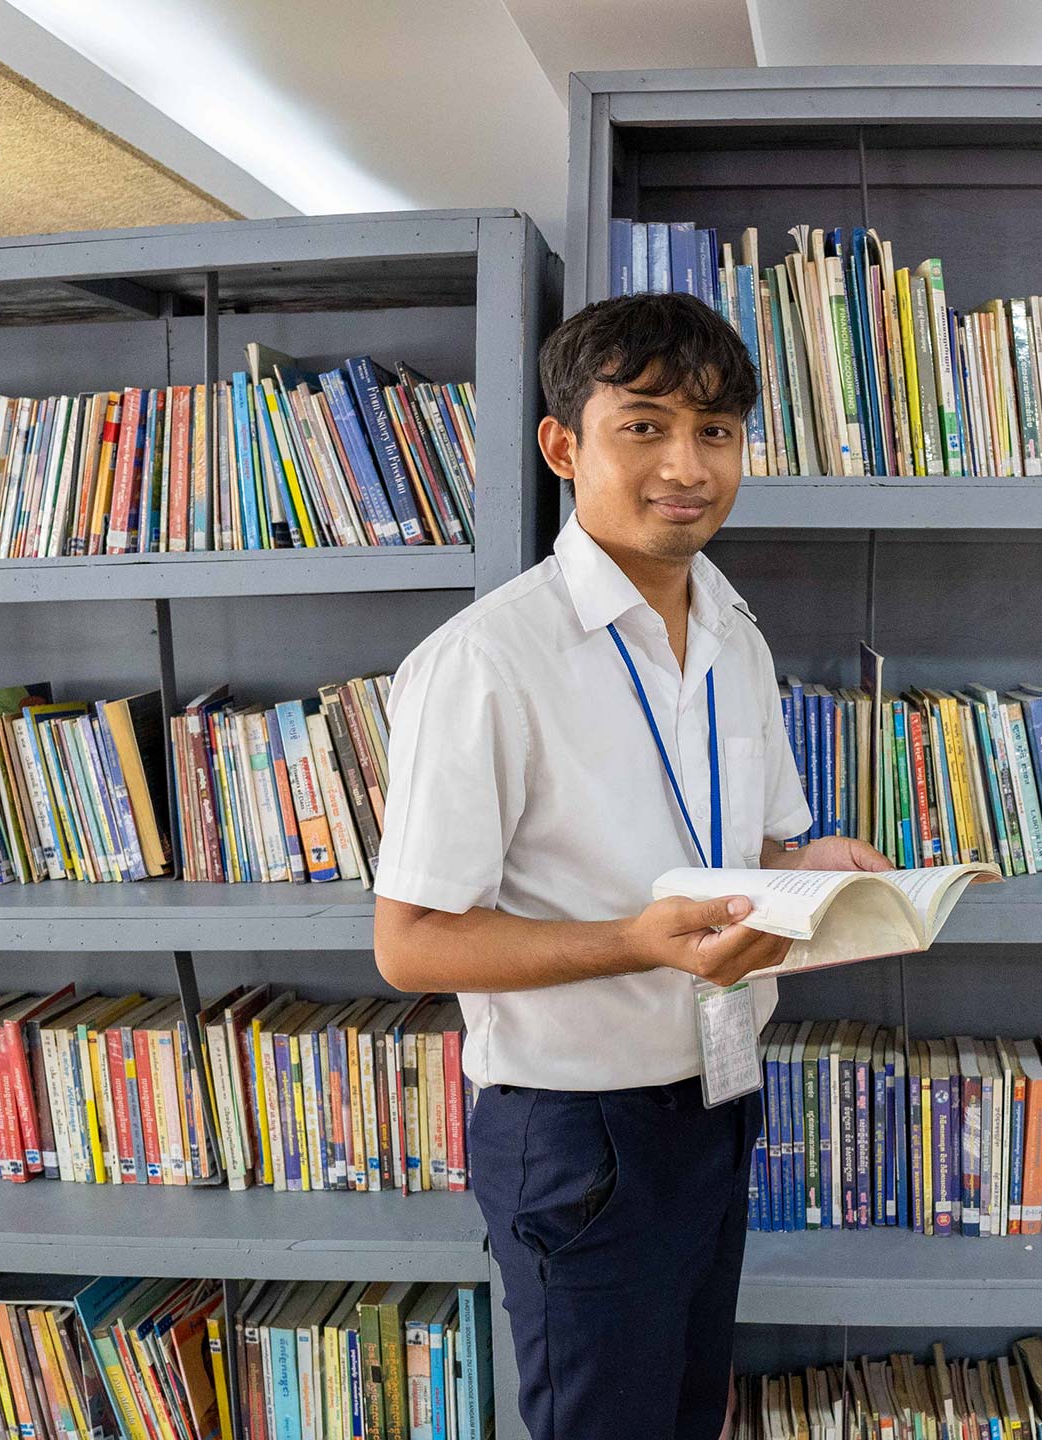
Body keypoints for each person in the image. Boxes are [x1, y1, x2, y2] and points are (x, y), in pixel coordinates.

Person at [369, 291, 891, 1439]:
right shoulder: (485, 661)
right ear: (564, 446)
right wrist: (626, 944)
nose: (686, 466)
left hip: (715, 1097)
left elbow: (747, 845)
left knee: (684, 1414)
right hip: (576, 1129)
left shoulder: (732, 632)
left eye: (716, 432)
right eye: (643, 426)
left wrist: (813, 865)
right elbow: (411, 945)